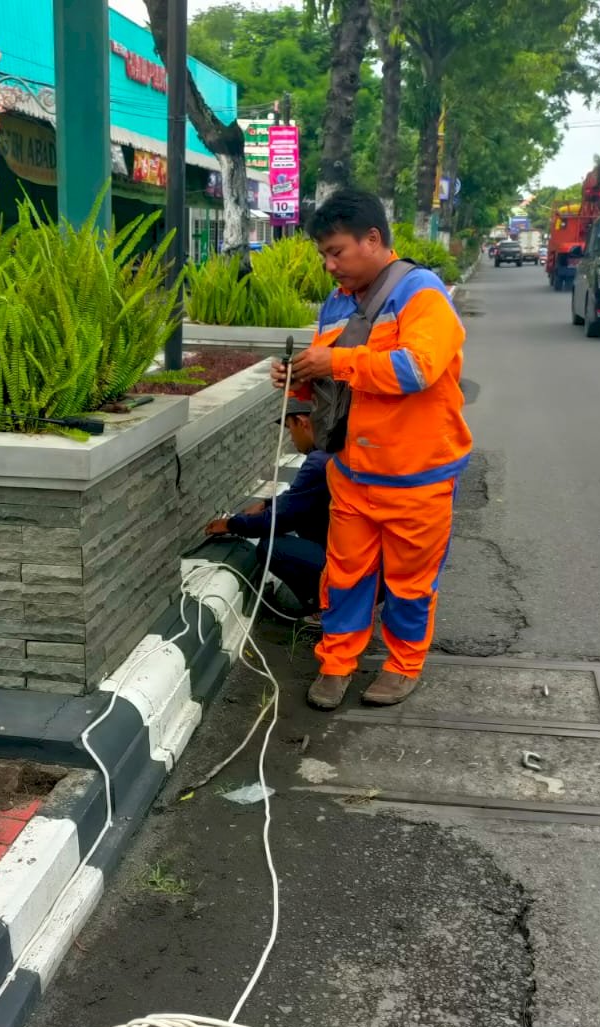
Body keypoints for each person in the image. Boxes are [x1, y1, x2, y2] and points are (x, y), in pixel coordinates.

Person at [272, 188, 471, 710]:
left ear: (373, 239)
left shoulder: (422, 294)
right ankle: (337, 662)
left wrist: (333, 363)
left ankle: (403, 665)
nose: (328, 264)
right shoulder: (337, 303)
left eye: (336, 251)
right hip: (353, 473)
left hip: (417, 477)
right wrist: (296, 380)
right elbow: (328, 377)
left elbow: (416, 369)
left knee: (410, 583)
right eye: (323, 255)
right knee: (345, 576)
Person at [204, 399, 330, 616]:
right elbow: (301, 499)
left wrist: (231, 524)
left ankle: (326, 608)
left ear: (302, 422)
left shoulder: (318, 462)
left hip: (352, 567)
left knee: (272, 547)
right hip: (374, 564)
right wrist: (267, 503)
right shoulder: (335, 451)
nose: (290, 436)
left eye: (289, 428)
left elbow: (278, 520)